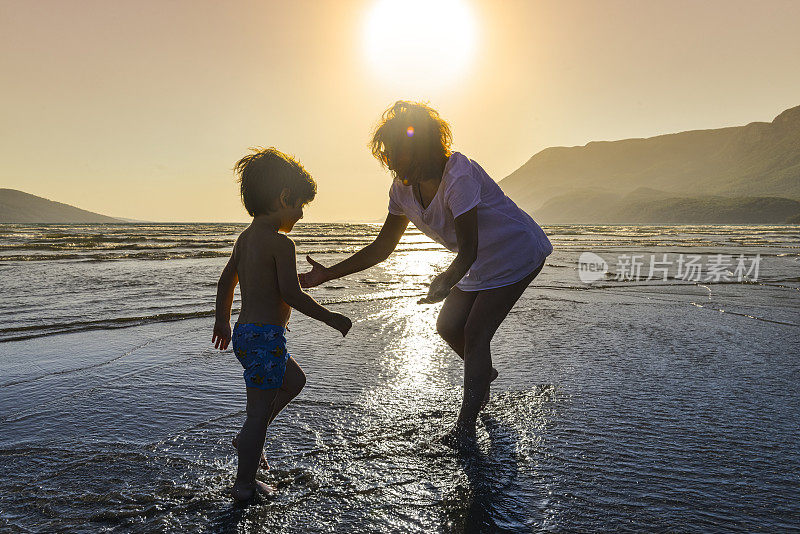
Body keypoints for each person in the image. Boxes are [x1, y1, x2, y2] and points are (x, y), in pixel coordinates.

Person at [300, 101, 552, 446]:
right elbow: (382, 247)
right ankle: (483, 373)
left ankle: (465, 427)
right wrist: (327, 274)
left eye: (397, 152)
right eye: (387, 153)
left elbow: (469, 249)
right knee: (447, 327)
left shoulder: (458, 175)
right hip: (476, 261)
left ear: (421, 148)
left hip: (515, 251)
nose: (390, 161)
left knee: (477, 332)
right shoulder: (401, 190)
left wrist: (444, 282)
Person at [212, 147, 352, 500]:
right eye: (300, 204)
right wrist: (331, 318)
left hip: (247, 335)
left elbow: (227, 280)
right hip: (265, 338)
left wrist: (223, 322)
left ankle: (249, 438)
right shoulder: (281, 243)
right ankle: (244, 482)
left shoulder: (244, 239)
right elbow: (292, 296)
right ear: (284, 197)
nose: (302, 214)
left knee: (294, 380)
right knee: (258, 413)